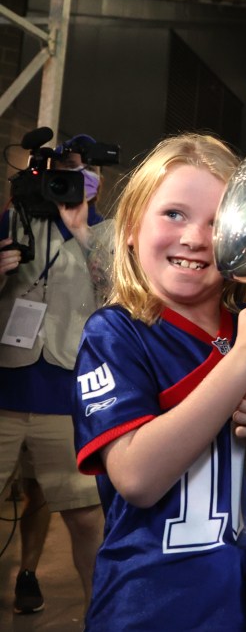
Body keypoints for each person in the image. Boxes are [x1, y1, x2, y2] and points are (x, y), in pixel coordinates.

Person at [71, 133, 246, 631]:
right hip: (151, 613)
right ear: (132, 226)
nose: (195, 237)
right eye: (174, 214)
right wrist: (242, 363)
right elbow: (136, 478)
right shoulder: (116, 332)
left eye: (217, 222)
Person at [0, 136, 106, 614]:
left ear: (95, 180)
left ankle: (101, 617)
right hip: (6, 388)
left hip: (68, 395)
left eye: (76, 169)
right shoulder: (14, 221)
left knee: (85, 519)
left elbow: (122, 296)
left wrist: (82, 233)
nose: (64, 178)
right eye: (56, 169)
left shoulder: (109, 233)